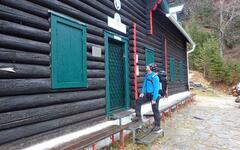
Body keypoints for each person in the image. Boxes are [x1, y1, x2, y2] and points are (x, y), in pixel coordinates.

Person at [132, 63, 162, 133]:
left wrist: (154, 99)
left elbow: (156, 89)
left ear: (151, 68)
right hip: (148, 94)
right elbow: (144, 85)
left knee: (155, 110)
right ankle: (138, 116)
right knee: (138, 101)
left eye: (148, 66)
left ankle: (157, 125)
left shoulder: (155, 77)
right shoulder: (147, 76)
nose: (146, 67)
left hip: (155, 95)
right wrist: (142, 92)